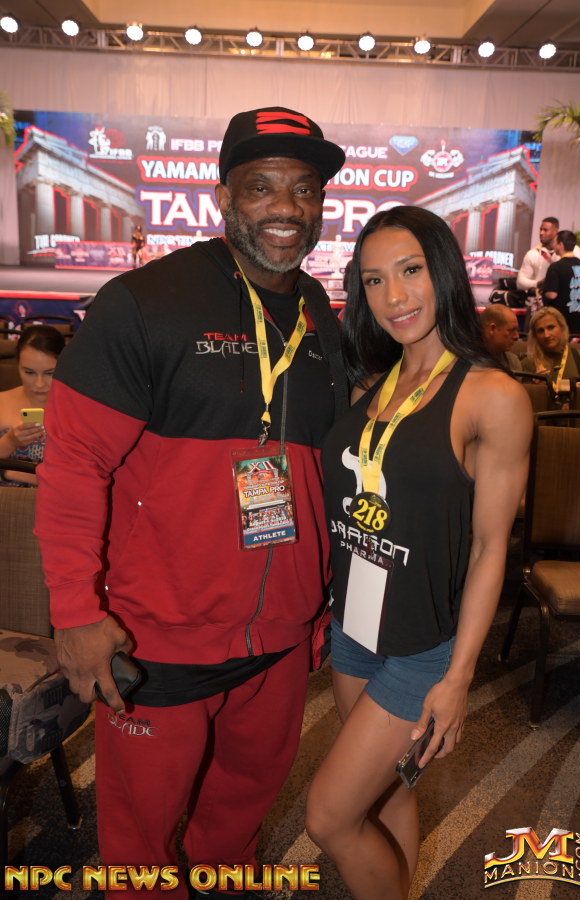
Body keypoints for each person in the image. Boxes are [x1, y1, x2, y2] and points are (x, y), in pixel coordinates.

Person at [35, 106, 347, 898]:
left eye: (304, 188)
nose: (285, 207)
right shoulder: (145, 302)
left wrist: (318, 605)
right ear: (222, 198)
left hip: (279, 640)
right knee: (141, 851)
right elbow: (73, 465)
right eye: (261, 187)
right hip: (159, 639)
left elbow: (323, 474)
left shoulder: (320, 314)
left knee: (236, 828)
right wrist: (74, 611)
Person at [304, 206, 531, 900]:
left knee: (329, 816)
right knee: (386, 793)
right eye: (374, 280)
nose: (393, 296)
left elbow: (490, 548)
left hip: (422, 645)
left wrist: (459, 677)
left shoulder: (491, 396)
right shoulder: (370, 387)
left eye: (410, 271)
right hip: (355, 627)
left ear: (445, 274)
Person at [0, 325, 65, 487]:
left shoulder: (79, 409)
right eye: (29, 372)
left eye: (50, 373)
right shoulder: (2, 402)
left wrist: (10, 472)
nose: (39, 383)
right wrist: (10, 441)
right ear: (18, 365)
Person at [521, 306, 580, 401]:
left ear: (562, 327)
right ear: (535, 335)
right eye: (540, 330)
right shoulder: (527, 364)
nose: (546, 335)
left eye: (551, 327)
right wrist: (535, 389)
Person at [542, 229, 580, 336]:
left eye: (555, 242)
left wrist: (542, 292)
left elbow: (552, 295)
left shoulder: (556, 267)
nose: (553, 245)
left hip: (561, 325)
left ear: (561, 245)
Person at [516, 217, 580, 294]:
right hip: (541, 299)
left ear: (556, 231)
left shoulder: (574, 250)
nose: (541, 233)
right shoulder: (532, 254)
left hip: (565, 298)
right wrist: (538, 283)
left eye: (545, 230)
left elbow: (578, 278)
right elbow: (520, 282)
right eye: (540, 229)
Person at [479, 304, 522, 370]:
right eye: (511, 330)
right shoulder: (466, 362)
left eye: (516, 330)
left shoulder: (513, 361)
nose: (516, 336)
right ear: (492, 329)